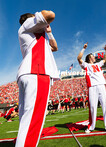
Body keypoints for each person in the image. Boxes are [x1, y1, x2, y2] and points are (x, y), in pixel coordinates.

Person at [16, 10, 59, 147]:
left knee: (26, 120)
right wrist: (37, 16)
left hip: (29, 73)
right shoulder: (28, 24)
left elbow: (55, 47)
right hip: (37, 72)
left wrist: (49, 32)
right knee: (33, 121)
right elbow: (50, 14)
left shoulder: (36, 37)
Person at [77, 43, 106, 133]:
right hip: (92, 87)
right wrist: (83, 49)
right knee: (93, 107)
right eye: (93, 56)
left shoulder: (98, 64)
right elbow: (78, 58)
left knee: (105, 105)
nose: (94, 57)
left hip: (101, 85)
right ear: (90, 58)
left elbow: (105, 59)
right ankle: (91, 126)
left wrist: (105, 51)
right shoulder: (86, 65)